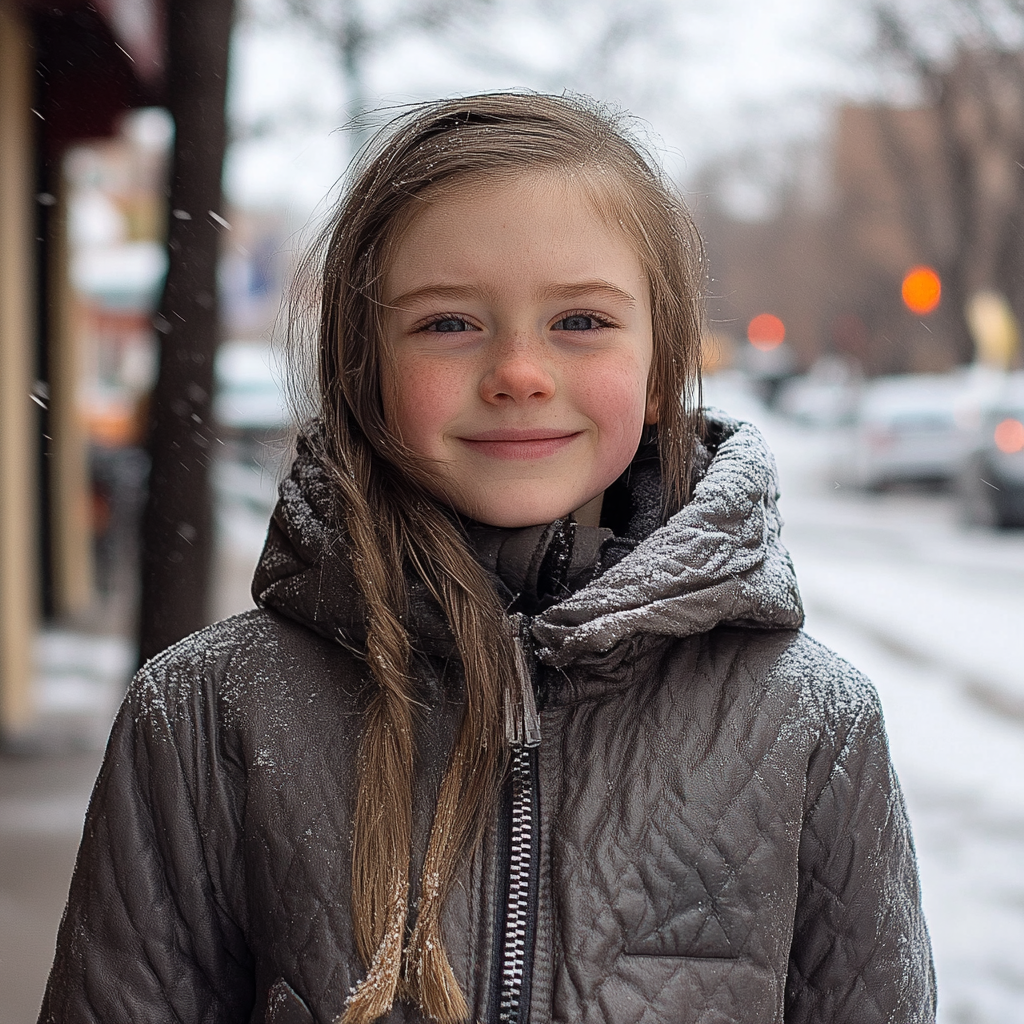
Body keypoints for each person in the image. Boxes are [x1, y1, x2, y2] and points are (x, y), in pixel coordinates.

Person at [39, 93, 936, 1024]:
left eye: (581, 321)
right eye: (449, 323)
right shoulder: (201, 715)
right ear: (365, 370)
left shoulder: (813, 724)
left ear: (662, 368)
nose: (519, 370)